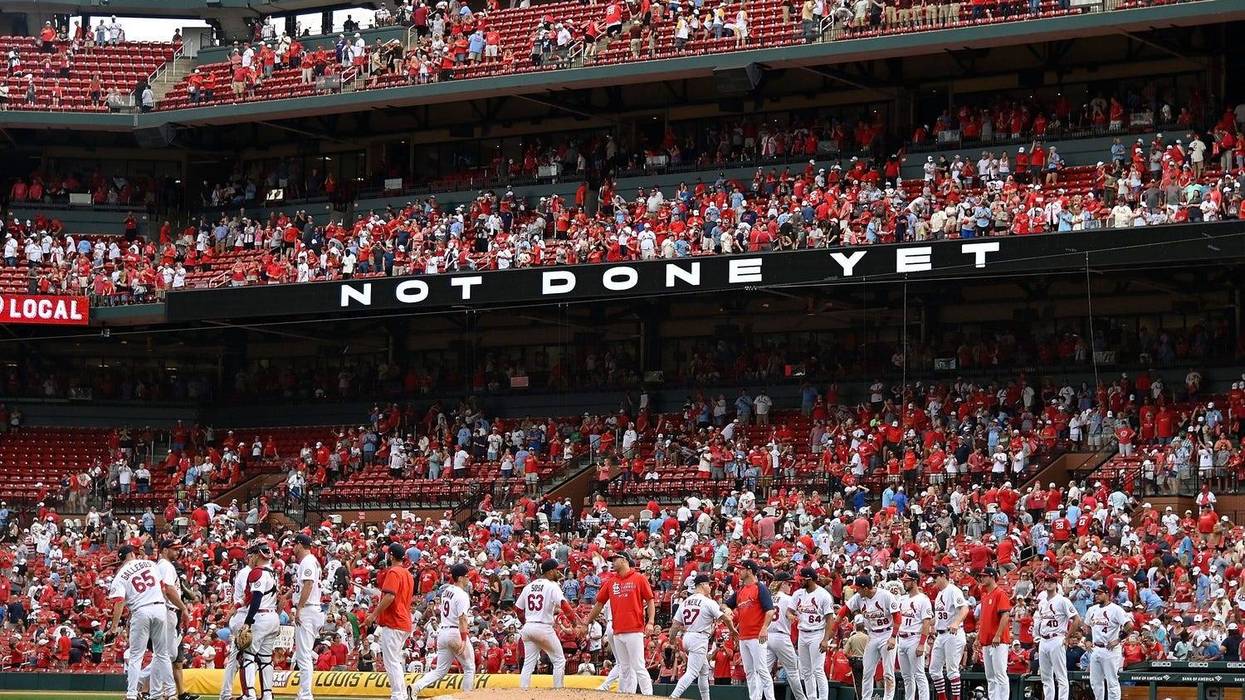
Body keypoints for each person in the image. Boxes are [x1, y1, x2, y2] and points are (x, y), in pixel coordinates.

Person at [582, 552, 655, 695]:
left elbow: (650, 600)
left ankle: (648, 695)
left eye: (615, 559)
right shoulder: (611, 581)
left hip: (634, 629)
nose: (612, 562)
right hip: (617, 630)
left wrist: (651, 622)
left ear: (624, 560)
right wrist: (587, 622)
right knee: (624, 667)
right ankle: (627, 695)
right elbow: (599, 604)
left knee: (638, 666)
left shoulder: (639, 578)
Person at [107, 544, 174, 700]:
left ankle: (131, 694)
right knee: (162, 654)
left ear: (121, 558)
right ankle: (171, 693)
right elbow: (163, 588)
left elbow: (119, 601)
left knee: (136, 656)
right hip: (159, 607)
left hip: (141, 610)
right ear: (132, 554)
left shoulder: (120, 575)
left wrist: (114, 627)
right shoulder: (150, 564)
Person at [407, 561, 474, 697]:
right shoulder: (462, 595)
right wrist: (463, 639)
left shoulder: (446, 591)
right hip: (455, 632)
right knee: (469, 667)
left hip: (443, 632)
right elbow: (462, 618)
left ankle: (416, 687)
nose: (468, 578)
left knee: (440, 670)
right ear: (460, 578)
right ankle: (467, 697)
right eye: (466, 576)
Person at [828, 574, 898, 700]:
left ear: (865, 588)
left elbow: (897, 616)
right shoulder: (859, 597)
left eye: (858, 588)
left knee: (888, 672)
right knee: (867, 671)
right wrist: (834, 628)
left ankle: (888, 698)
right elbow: (844, 610)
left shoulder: (885, 596)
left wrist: (893, 636)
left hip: (887, 633)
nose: (856, 590)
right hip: (872, 635)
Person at [669, 574, 738, 700]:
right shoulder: (708, 602)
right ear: (702, 585)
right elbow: (726, 618)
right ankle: (674, 696)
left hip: (687, 637)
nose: (710, 587)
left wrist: (672, 640)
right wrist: (733, 630)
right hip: (699, 638)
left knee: (704, 670)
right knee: (692, 672)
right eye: (708, 584)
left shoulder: (685, 602)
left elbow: (675, 625)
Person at [515, 559, 580, 689]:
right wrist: (574, 622)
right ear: (550, 572)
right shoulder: (552, 586)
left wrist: (526, 623)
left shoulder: (529, 586)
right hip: (543, 627)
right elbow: (563, 604)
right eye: (556, 570)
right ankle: (558, 691)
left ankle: (523, 690)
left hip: (529, 627)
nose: (558, 572)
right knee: (559, 660)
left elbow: (518, 609)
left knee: (528, 663)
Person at [724, 560, 775, 700]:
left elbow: (770, 611)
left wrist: (764, 628)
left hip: (756, 636)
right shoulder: (740, 590)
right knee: (750, 672)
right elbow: (725, 604)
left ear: (750, 571)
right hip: (743, 637)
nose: (739, 572)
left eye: (742, 569)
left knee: (762, 670)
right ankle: (755, 698)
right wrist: (727, 609)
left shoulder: (760, 588)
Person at [237, 541, 281, 700]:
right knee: (266, 659)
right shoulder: (273, 572)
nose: (251, 557)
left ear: (258, 554)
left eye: (252, 554)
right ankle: (267, 694)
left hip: (260, 616)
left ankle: (249, 693)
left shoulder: (257, 572)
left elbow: (256, 598)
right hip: (273, 616)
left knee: (247, 655)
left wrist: (248, 621)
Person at [789, 568, 834, 700]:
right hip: (803, 633)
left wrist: (825, 639)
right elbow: (789, 611)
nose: (800, 581)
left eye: (803, 579)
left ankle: (823, 698)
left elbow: (830, 619)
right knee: (806, 670)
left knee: (818, 669)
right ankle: (812, 697)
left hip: (817, 633)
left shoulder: (823, 595)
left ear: (810, 579)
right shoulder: (798, 594)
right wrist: (790, 615)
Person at [1033, 574, 1079, 700]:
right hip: (1044, 639)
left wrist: (1067, 637)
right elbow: (1040, 621)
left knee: (1061, 676)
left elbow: (1076, 619)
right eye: (1047, 581)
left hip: (1057, 638)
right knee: (1046, 677)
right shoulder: (1042, 602)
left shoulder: (1063, 600)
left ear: (1056, 584)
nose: (1049, 583)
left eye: (1052, 581)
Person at [1083, 585, 1132, 700]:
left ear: (1107, 594)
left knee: (1112, 681)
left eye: (1100, 593)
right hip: (1096, 648)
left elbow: (1129, 626)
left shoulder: (1116, 609)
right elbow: (1087, 626)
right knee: (1095, 682)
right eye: (1096, 593)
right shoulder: (1092, 609)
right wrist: (1088, 639)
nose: (1097, 595)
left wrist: (1118, 639)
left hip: (1110, 649)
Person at [219, 551, 256, 700]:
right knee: (246, 658)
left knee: (235, 659)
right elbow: (249, 596)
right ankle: (247, 694)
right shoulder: (246, 573)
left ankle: (226, 694)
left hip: (240, 616)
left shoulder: (246, 572)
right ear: (249, 558)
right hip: (242, 617)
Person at [291, 534, 323, 700]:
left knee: (303, 656)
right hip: (312, 609)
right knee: (304, 654)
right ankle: (303, 693)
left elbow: (309, 584)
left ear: (299, 545)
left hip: (308, 609)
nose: (293, 548)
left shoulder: (308, 561)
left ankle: (305, 695)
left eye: (294, 544)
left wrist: (299, 608)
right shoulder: (311, 561)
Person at [929, 566, 968, 700]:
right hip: (941, 634)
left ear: (944, 576)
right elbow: (940, 616)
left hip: (953, 634)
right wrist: (927, 623)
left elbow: (964, 608)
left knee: (952, 670)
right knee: (934, 670)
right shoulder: (940, 594)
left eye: (936, 576)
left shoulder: (953, 590)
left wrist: (956, 622)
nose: (934, 579)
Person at [766, 571, 806, 700]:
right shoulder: (788, 599)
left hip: (767, 636)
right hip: (781, 636)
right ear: (782, 583)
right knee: (793, 671)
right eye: (789, 584)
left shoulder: (768, 598)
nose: (791, 586)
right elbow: (801, 615)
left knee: (763, 672)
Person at [975, 568, 1011, 700]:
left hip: (998, 642)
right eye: (981, 576)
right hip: (986, 641)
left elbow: (1005, 615)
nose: (982, 578)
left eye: (984, 576)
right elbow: (984, 620)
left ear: (992, 577)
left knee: (1000, 674)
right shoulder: (985, 595)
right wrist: (978, 637)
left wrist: (998, 635)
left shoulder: (1000, 593)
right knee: (990, 676)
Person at [896, 571, 932, 700]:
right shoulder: (902, 599)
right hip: (902, 638)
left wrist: (922, 643)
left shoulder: (923, 599)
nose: (904, 583)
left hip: (915, 638)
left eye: (907, 581)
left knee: (919, 674)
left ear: (915, 581)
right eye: (904, 581)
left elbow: (926, 622)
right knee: (906, 676)